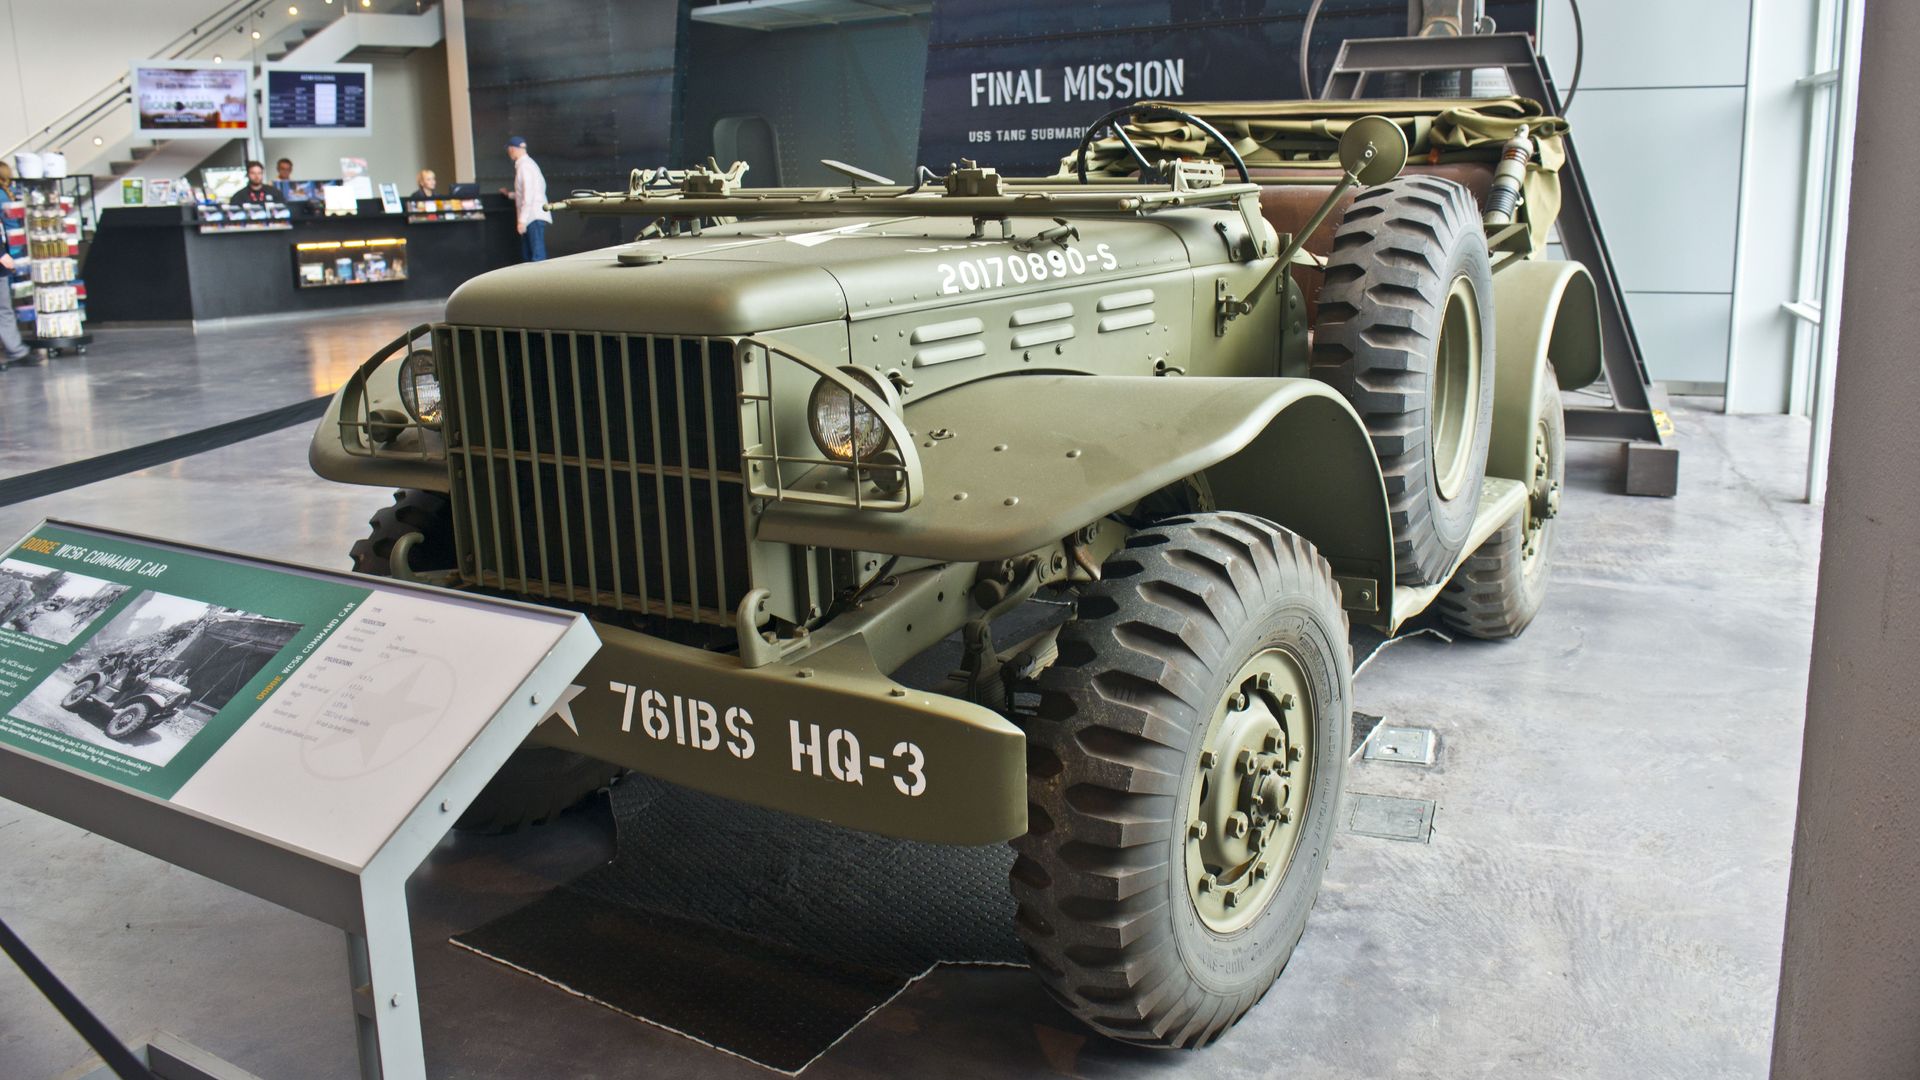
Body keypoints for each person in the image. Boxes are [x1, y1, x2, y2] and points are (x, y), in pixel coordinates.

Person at [503, 136, 551, 261]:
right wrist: (510, 195)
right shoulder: (530, 165)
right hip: (534, 215)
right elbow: (532, 191)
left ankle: (539, 280)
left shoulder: (524, 166)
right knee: (532, 254)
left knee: (536, 256)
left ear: (512, 149)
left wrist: (522, 220)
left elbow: (528, 195)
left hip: (532, 217)